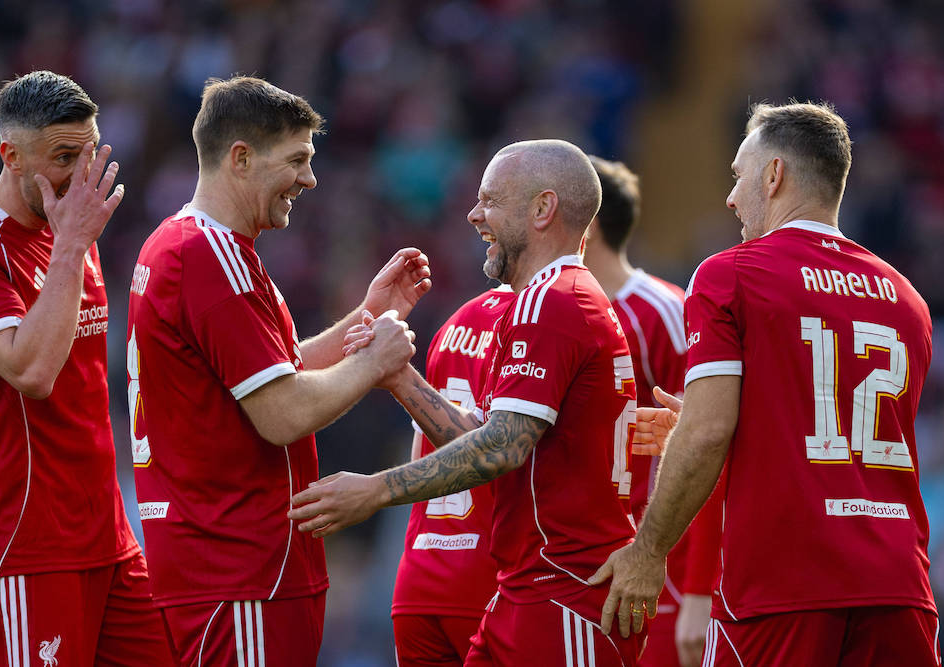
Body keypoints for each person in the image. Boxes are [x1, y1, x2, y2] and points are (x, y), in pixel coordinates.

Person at [591, 102, 940, 666]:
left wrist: (648, 552)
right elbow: (837, 428)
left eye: (737, 175)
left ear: (773, 175)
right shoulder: (908, 300)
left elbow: (707, 434)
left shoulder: (732, 273)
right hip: (900, 590)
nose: (731, 198)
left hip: (784, 591)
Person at [291, 139, 642, 665]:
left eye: (490, 200)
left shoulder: (553, 300)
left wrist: (375, 491)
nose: (475, 215)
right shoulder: (546, 300)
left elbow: (501, 450)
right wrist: (397, 376)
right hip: (528, 586)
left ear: (543, 209)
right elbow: (485, 441)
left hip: (568, 592)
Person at [126, 76, 429, 666]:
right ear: (241, 158)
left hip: (226, 568)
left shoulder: (191, 245)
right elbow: (282, 412)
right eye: (296, 160)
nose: (309, 179)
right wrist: (376, 362)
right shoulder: (209, 260)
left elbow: (276, 373)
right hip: (238, 571)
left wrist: (367, 318)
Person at [0, 71, 172, 665]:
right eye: (65, 157)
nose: (82, 177)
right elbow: (32, 372)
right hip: (27, 547)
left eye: (90, 153)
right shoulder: (19, 243)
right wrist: (71, 243)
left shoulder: (72, 233)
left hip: (109, 539)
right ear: (11, 156)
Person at [583, 155, 721, 667]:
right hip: (587, 554)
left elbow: (704, 434)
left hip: (659, 561)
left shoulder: (662, 311)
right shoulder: (551, 310)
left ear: (587, 223)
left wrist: (699, 586)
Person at [390, 284, 515, 666]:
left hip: (418, 577)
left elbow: (421, 458)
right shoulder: (539, 319)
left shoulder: (453, 324)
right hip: (494, 582)